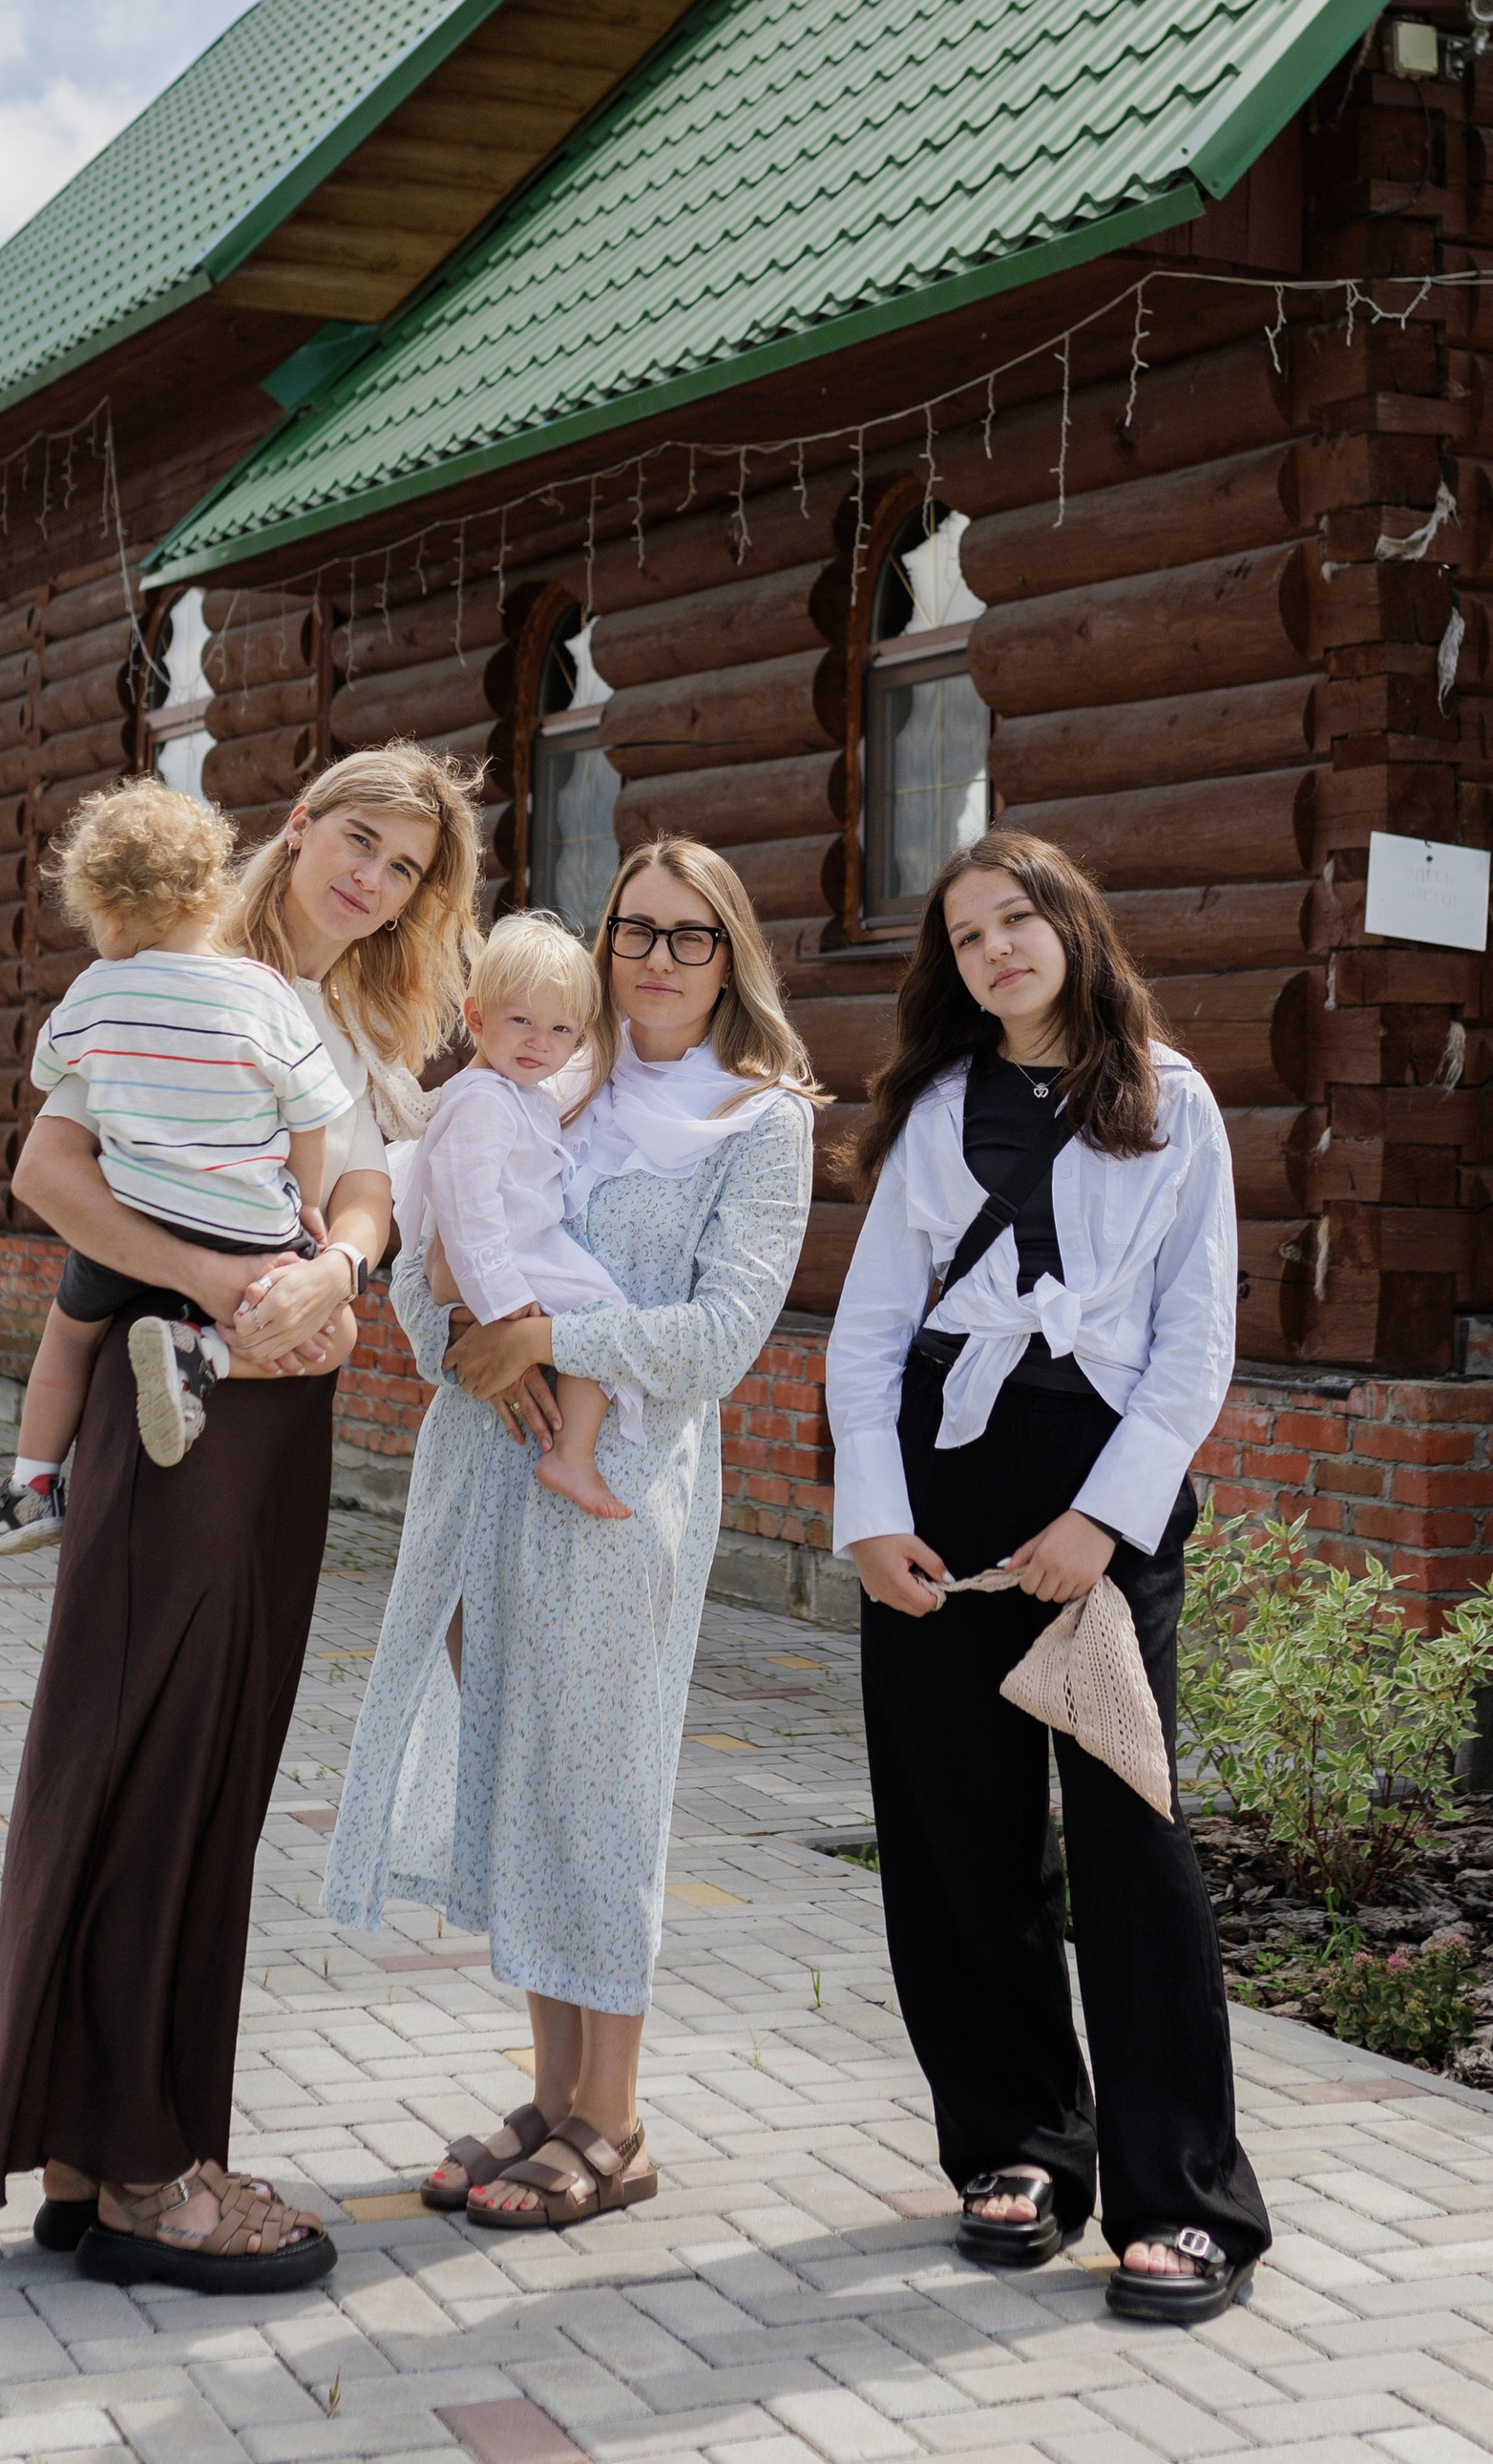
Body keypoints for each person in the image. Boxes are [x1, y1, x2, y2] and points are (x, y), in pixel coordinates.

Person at [0, 746, 480, 2291]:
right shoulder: (182, 970)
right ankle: (143, 2176)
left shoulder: (359, 1016)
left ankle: (91, 2145)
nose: (369, 879)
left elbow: (366, 1190)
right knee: (146, 1752)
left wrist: (336, 1272)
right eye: (357, 840)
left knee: (208, 1762)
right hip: (167, 1393)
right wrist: (213, 1282)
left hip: (276, 1409)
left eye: (404, 868)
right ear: (300, 827)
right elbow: (47, 1167)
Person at [322, 836, 816, 2232]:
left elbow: (723, 1334)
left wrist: (552, 1335)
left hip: (621, 1491)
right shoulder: (545, 1076)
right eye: (634, 932)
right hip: (482, 1474)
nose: (655, 960)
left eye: (688, 937)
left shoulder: (758, 1119)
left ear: (731, 958)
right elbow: (433, 1247)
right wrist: (465, 1346)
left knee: (602, 1789)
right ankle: (550, 2092)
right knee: (525, 1775)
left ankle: (618, 2118)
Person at [825, 828, 1271, 2328]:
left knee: (1133, 1847)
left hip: (1100, 1504)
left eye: (1019, 919)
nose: (997, 949)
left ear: (1074, 927)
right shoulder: (939, 1107)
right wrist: (873, 1517)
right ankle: (1018, 2148)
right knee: (962, 1838)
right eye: (967, 936)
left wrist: (1104, 1525)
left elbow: (1197, 1345)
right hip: (944, 1488)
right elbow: (871, 1330)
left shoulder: (1173, 1101)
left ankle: (1184, 2200)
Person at [0, 781, 355, 1549]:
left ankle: (31, 1485)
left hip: (131, 1227)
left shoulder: (93, 992)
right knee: (332, 1331)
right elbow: (313, 1117)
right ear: (211, 894)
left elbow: (51, 1073)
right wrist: (306, 1203)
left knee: (68, 1336)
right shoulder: (265, 993)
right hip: (248, 1231)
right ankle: (205, 1354)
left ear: (109, 914)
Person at [402, 910, 634, 1523]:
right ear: (477, 1018)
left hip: (511, 1255)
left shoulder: (520, 1094)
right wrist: (502, 1302)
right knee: (600, 1313)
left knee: (594, 1314)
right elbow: (465, 1205)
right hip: (498, 1261)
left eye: (560, 1029)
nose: (540, 1043)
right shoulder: (481, 1100)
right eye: (521, 1021)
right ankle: (572, 1457)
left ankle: (571, 1451)